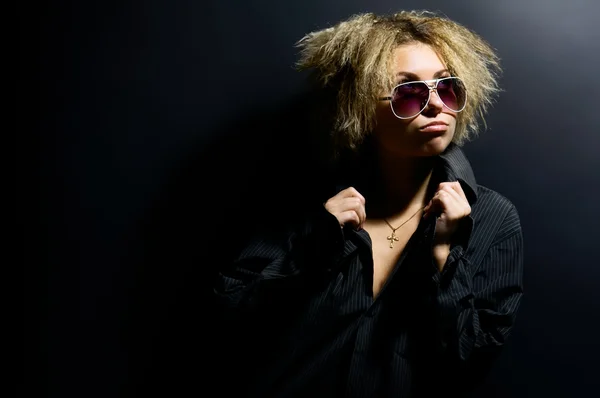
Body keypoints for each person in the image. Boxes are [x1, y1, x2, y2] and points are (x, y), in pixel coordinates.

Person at [212, 10, 524, 398]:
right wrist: (313, 251)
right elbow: (227, 321)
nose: (435, 106)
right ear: (360, 107)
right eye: (408, 93)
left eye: (446, 88)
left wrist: (445, 257)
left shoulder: (492, 218)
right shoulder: (308, 202)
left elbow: (470, 364)